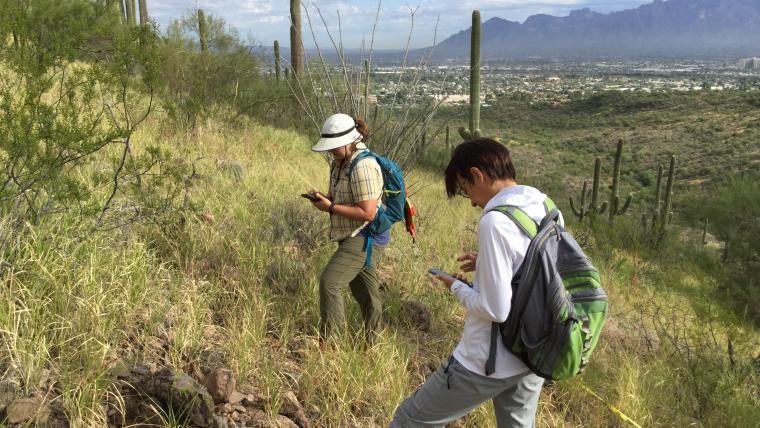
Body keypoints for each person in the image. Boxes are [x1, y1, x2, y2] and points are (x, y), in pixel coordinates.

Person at [390, 138, 562, 427]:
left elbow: (495, 310)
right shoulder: (543, 202)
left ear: (477, 175)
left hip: (488, 362)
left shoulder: (494, 221)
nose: (471, 200)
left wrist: (456, 286)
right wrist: (487, 263)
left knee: (409, 420)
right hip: (533, 352)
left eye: (466, 187)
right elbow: (538, 269)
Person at [306, 113, 389, 342]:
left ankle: (331, 344)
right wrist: (324, 199)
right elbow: (338, 196)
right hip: (351, 233)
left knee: (330, 282)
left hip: (364, 234)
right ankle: (374, 343)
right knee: (366, 294)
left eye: (334, 146)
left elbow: (367, 212)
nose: (331, 151)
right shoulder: (340, 163)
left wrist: (331, 207)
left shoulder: (363, 165)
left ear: (348, 142)